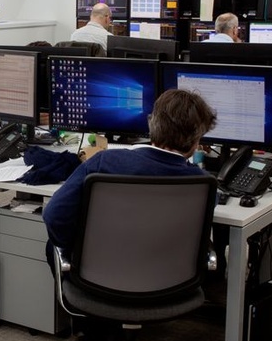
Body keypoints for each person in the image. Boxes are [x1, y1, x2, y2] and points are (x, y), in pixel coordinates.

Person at [41, 88, 216, 260]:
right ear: (196, 142)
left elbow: (54, 216)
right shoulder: (203, 184)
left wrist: (78, 248)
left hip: (99, 275)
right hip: (167, 278)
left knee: (52, 247)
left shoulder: (104, 162)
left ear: (151, 124)